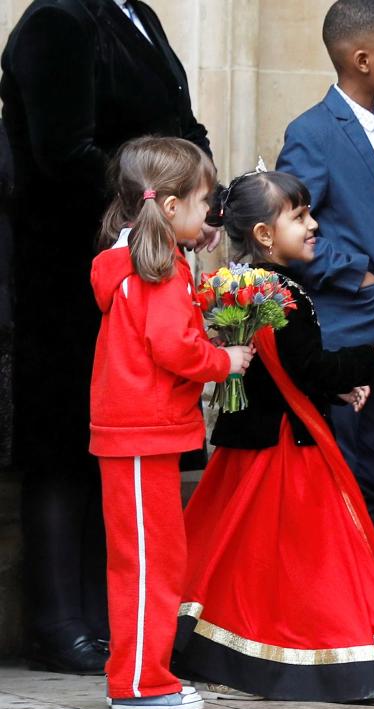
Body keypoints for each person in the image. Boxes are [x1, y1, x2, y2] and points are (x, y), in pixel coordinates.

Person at [0, 0, 216, 673]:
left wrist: (200, 195)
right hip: (70, 275)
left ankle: (114, 619)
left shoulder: (139, 15)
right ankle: (60, 621)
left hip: (140, 257)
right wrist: (161, 207)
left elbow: (182, 123)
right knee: (62, 445)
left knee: (113, 459)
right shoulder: (57, 22)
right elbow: (62, 152)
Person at [174, 170, 374, 702]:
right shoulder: (282, 291)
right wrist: (372, 359)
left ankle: (235, 649)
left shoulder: (249, 283)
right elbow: (307, 367)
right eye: (300, 216)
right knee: (308, 557)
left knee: (246, 555)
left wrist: (334, 390)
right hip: (289, 449)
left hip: (258, 438)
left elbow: (276, 369)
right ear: (265, 235)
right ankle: (320, 655)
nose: (313, 226)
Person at [89, 136, 253, 709]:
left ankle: (147, 675)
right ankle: (137, 685)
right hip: (140, 435)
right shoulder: (155, 270)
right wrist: (223, 361)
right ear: (172, 205)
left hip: (144, 434)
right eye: (205, 202)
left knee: (156, 562)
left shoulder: (143, 259)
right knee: (145, 566)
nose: (212, 213)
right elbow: (174, 347)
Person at [275, 0, 374, 527]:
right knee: (336, 475)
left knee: (373, 477)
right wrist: (360, 276)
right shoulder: (312, 132)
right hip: (346, 333)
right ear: (363, 60)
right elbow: (291, 231)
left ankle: (365, 602)